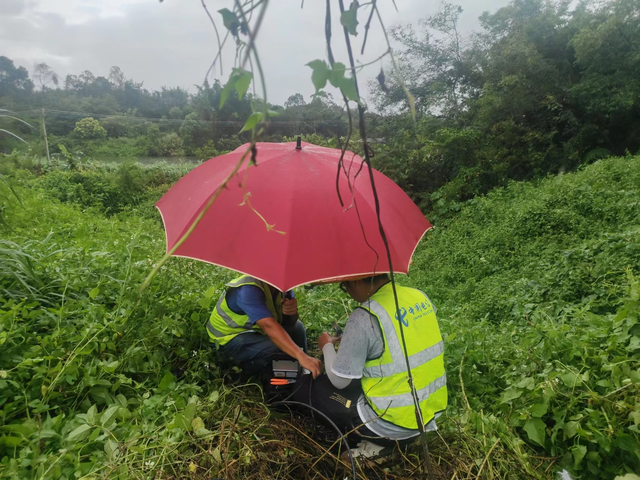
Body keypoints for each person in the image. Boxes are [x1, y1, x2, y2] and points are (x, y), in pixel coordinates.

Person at [293, 274, 447, 450]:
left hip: (388, 425)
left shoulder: (364, 315)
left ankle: (374, 445)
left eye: (345, 286)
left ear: (357, 280)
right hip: (426, 417)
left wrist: (326, 347)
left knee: (310, 387)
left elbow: (339, 381)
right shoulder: (419, 296)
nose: (347, 292)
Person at [207, 275, 321, 378]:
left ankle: (306, 371)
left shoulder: (282, 288)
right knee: (281, 349)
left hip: (254, 333)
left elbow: (289, 323)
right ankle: (238, 372)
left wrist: (291, 313)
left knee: (298, 327)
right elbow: (269, 327)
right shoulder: (247, 289)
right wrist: (299, 355)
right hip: (227, 341)